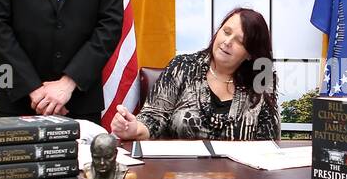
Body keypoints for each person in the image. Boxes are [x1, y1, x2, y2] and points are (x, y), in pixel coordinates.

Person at [110, 8, 281, 141]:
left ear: (250, 53)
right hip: (179, 176)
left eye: (239, 41)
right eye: (226, 32)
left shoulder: (261, 80)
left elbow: (269, 142)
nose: (227, 42)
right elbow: (153, 118)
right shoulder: (182, 67)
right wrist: (134, 128)